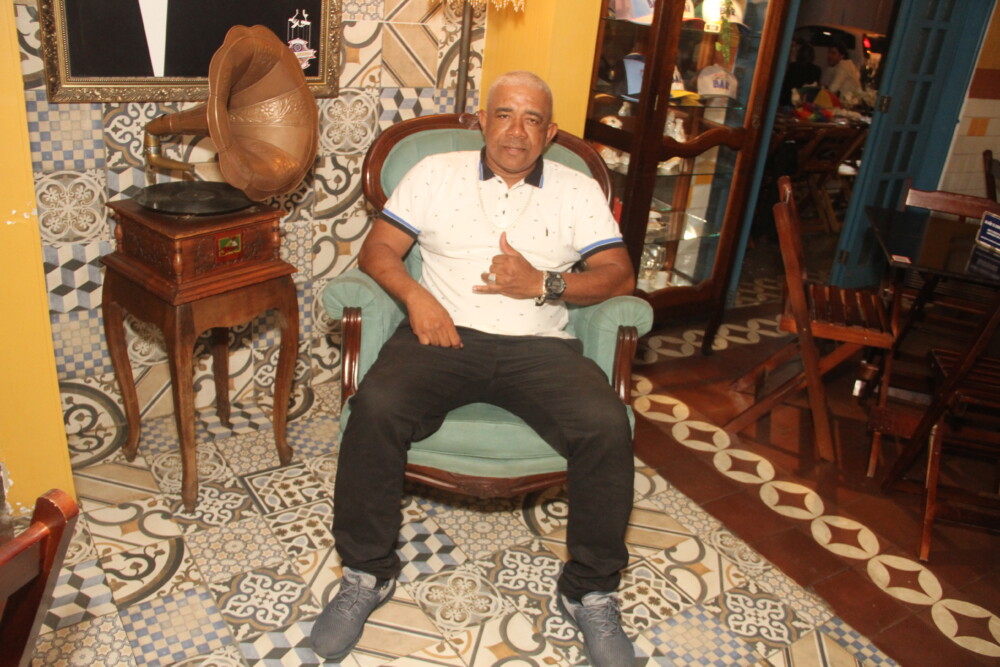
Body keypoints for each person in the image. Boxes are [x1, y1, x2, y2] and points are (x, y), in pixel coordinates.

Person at [309, 70, 637, 667]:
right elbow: (377, 251)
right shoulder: (435, 173)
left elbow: (620, 274)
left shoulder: (576, 189)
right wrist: (418, 298)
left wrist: (544, 283)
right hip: (441, 335)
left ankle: (590, 591)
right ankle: (366, 573)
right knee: (375, 408)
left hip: (539, 347)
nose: (516, 131)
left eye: (532, 119)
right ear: (483, 121)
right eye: (504, 114)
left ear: (550, 132)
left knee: (606, 424)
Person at [779, 40, 822, 107]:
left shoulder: (793, 67)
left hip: (789, 100)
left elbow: (787, 86)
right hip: (806, 103)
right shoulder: (817, 70)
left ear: (799, 54)